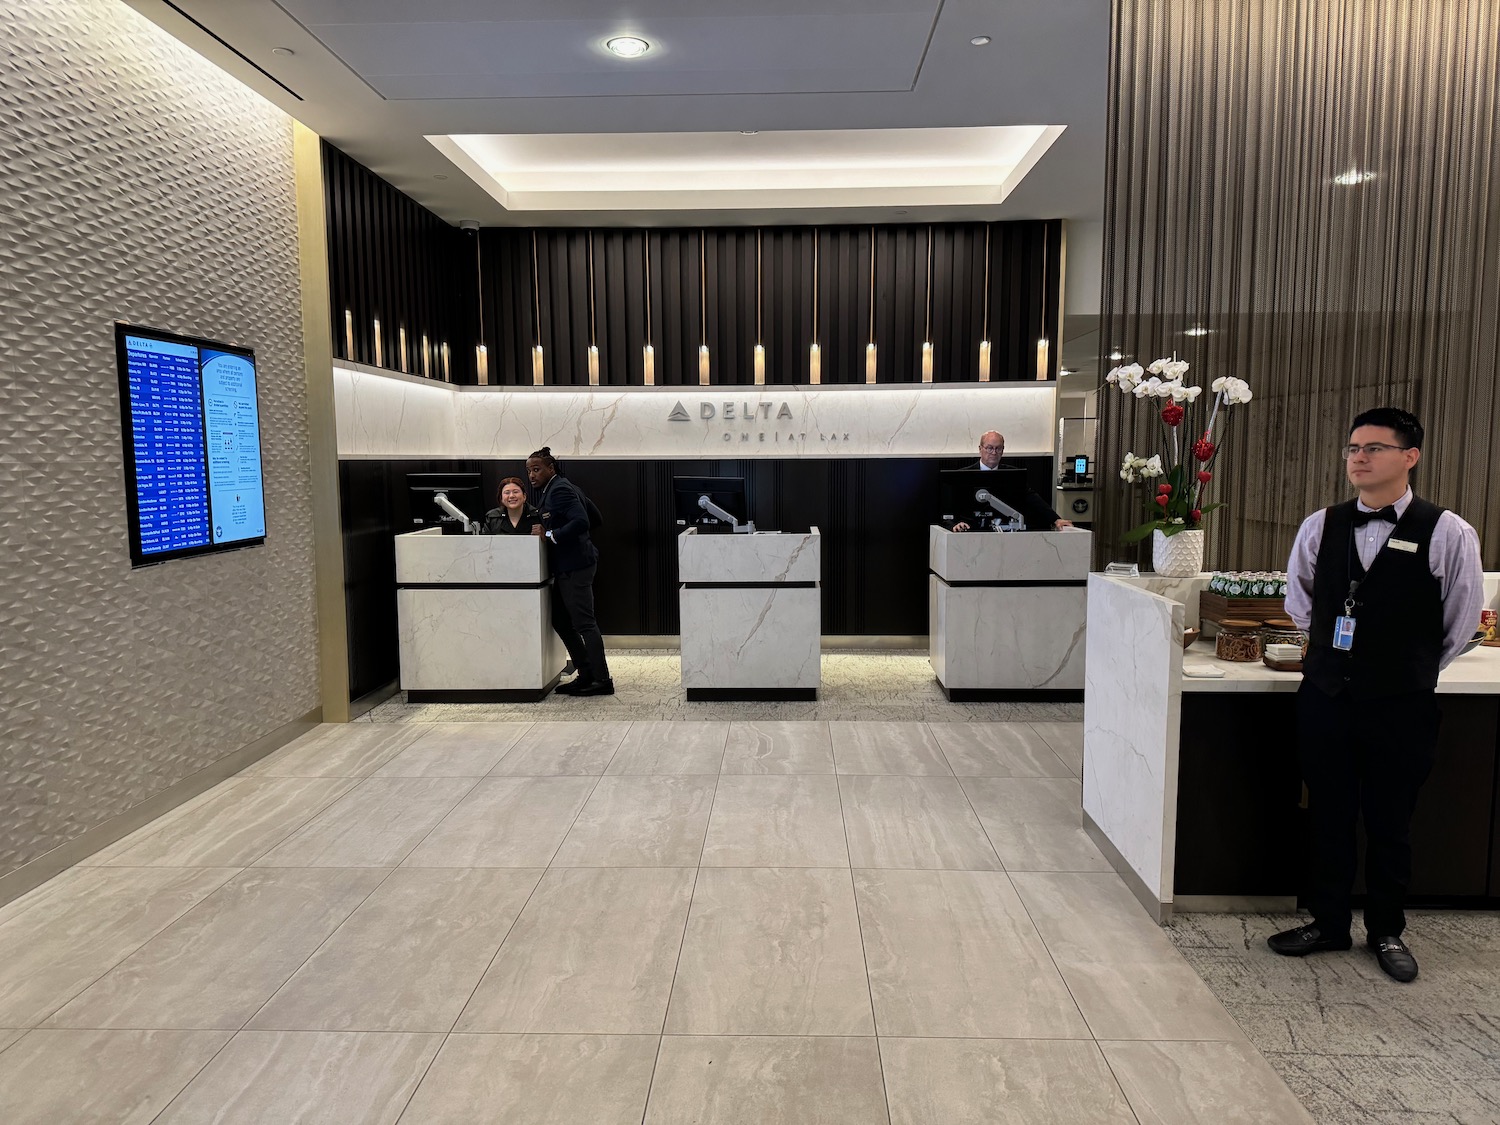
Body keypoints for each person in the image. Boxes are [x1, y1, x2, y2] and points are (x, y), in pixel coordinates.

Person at [1269, 407, 1484, 982]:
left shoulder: (1448, 531)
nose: (1358, 458)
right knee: (1329, 814)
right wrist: (1339, 663)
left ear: (1409, 457)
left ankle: (1386, 928)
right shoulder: (1322, 524)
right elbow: (1301, 602)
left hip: (1401, 704)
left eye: (1373, 448)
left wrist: (1403, 668)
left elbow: (1461, 623)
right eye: (1352, 448)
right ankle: (1329, 921)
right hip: (1327, 699)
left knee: (1392, 817)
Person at [526, 447, 613, 697]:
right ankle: (586, 674)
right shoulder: (561, 487)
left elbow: (583, 522)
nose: (532, 475)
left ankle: (601, 680)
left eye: (536, 469)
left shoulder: (560, 489)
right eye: (529, 471)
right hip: (571, 564)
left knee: (585, 624)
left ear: (550, 468)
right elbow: (594, 517)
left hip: (575, 566)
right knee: (562, 621)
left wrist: (551, 534)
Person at [953, 430, 1074, 531]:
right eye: (989, 448)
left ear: (1003, 450)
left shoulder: (1013, 475)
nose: (994, 453)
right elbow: (952, 507)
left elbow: (1032, 498)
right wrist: (954, 524)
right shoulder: (963, 475)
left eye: (998, 448)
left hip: (1006, 533)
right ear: (980, 449)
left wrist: (1055, 519)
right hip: (970, 532)